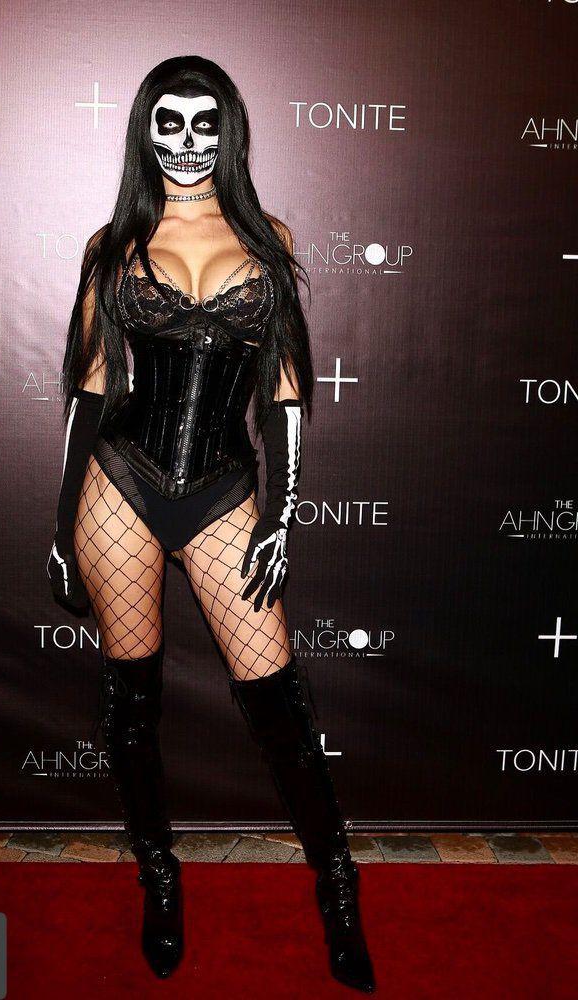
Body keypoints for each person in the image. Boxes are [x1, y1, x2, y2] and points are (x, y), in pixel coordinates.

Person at [47, 55, 375, 992]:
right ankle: (159, 875)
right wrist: (61, 524)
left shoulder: (268, 239)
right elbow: (89, 392)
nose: (186, 142)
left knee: (278, 705)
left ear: (227, 131)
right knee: (131, 704)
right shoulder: (113, 243)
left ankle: (338, 887)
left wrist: (283, 515)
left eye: (204, 124)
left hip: (225, 490)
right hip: (119, 485)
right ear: (144, 130)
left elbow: (286, 392)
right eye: (168, 121)